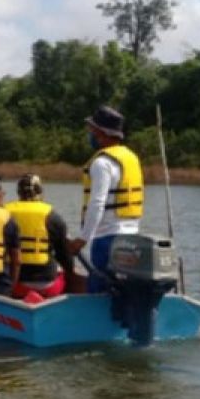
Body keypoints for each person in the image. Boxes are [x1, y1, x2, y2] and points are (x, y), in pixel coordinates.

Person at [68, 105, 143, 292]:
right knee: (122, 289)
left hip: (107, 238)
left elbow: (97, 204)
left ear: (102, 133)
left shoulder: (102, 163)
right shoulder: (130, 158)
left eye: (93, 130)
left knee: (99, 289)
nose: (90, 134)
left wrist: (83, 239)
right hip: (132, 237)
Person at [5, 173, 74, 300]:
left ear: (18, 192)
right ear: (40, 191)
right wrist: (71, 273)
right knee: (62, 273)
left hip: (13, 284)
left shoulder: (4, 213)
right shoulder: (53, 217)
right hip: (47, 286)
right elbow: (65, 257)